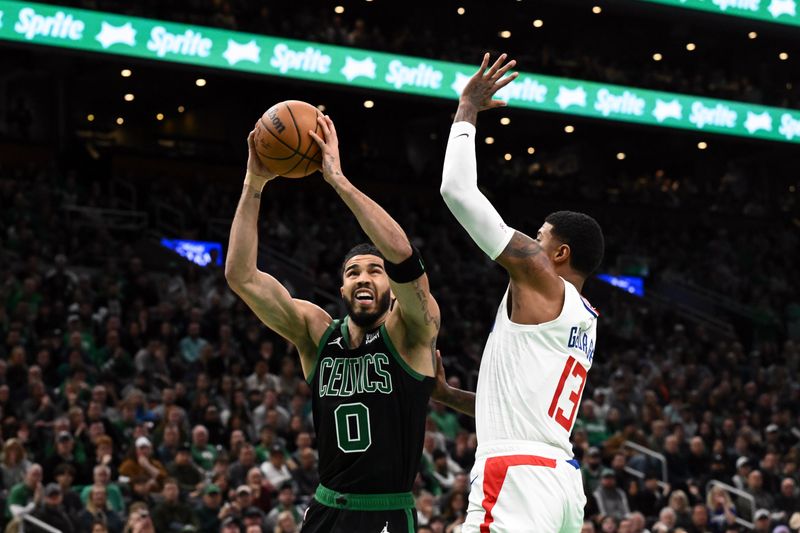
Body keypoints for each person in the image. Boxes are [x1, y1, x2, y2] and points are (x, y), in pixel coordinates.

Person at [226, 114, 440, 532]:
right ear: (341, 290)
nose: (363, 277)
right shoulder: (316, 333)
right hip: (325, 508)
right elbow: (241, 276)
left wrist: (338, 179)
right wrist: (254, 182)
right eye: (353, 272)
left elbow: (403, 256)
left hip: (384, 511)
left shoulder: (413, 332)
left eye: (374, 271)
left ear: (393, 289)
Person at [436, 53, 604, 532]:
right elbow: (519, 410)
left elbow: (457, 191)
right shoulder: (586, 318)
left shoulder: (539, 277)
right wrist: (448, 394)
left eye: (540, 235)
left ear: (559, 253)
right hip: (561, 484)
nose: (531, 240)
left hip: (517, 478)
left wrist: (466, 108)